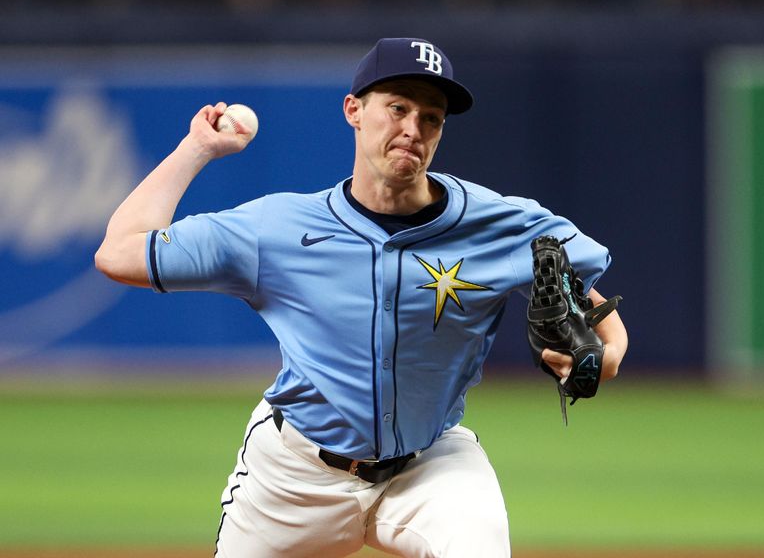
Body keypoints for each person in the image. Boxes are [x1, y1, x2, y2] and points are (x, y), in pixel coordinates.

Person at [95, 37, 628, 558]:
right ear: (354, 109)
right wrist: (197, 149)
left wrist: (604, 358)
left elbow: (601, 319)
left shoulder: (500, 225)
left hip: (431, 466)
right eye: (397, 108)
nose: (411, 129)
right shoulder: (276, 229)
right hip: (294, 475)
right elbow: (119, 253)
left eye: (430, 118)